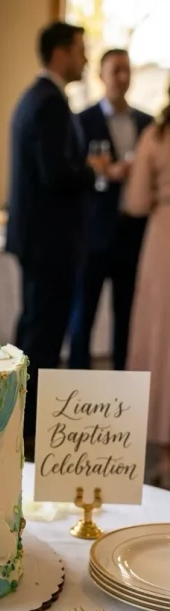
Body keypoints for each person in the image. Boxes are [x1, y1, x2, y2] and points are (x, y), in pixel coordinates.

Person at [7, 21, 98, 440]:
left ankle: (22, 424)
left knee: (35, 332)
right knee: (42, 338)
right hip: (51, 243)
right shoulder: (49, 103)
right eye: (81, 49)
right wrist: (92, 170)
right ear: (61, 53)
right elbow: (56, 175)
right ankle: (29, 434)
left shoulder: (35, 98)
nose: (85, 58)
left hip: (41, 241)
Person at [69, 49, 152, 371]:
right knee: (83, 313)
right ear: (101, 76)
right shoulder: (82, 120)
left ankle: (122, 383)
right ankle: (76, 381)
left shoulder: (147, 124)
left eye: (127, 70)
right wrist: (105, 172)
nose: (122, 77)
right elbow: (73, 173)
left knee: (127, 313)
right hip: (92, 231)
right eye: (116, 70)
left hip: (132, 231)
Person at [126, 92, 170, 484]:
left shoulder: (156, 135)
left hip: (163, 237)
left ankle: (165, 455)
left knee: (161, 337)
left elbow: (137, 201)